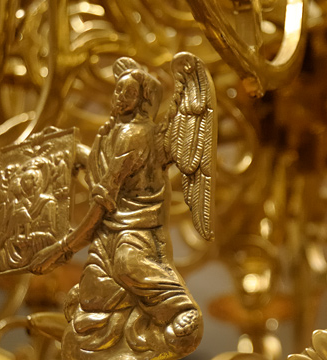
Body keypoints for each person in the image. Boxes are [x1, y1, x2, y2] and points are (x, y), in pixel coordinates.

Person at [27, 58, 203, 359]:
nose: (120, 97)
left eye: (129, 93)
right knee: (90, 298)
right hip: (106, 236)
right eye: (118, 91)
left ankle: (180, 308)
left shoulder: (136, 135)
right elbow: (100, 168)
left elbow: (102, 204)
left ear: (142, 101)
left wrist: (62, 250)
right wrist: (68, 151)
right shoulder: (112, 133)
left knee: (128, 264)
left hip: (135, 231)